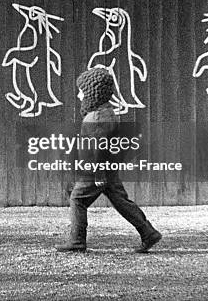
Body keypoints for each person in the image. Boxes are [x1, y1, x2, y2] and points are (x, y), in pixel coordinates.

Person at [56, 67, 162, 253]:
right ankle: (148, 232)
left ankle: (77, 241)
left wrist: (98, 173)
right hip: (106, 169)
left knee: (77, 199)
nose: (79, 96)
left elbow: (100, 147)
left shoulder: (97, 117)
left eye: (82, 91)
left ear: (93, 93)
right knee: (121, 201)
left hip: (96, 171)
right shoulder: (105, 113)